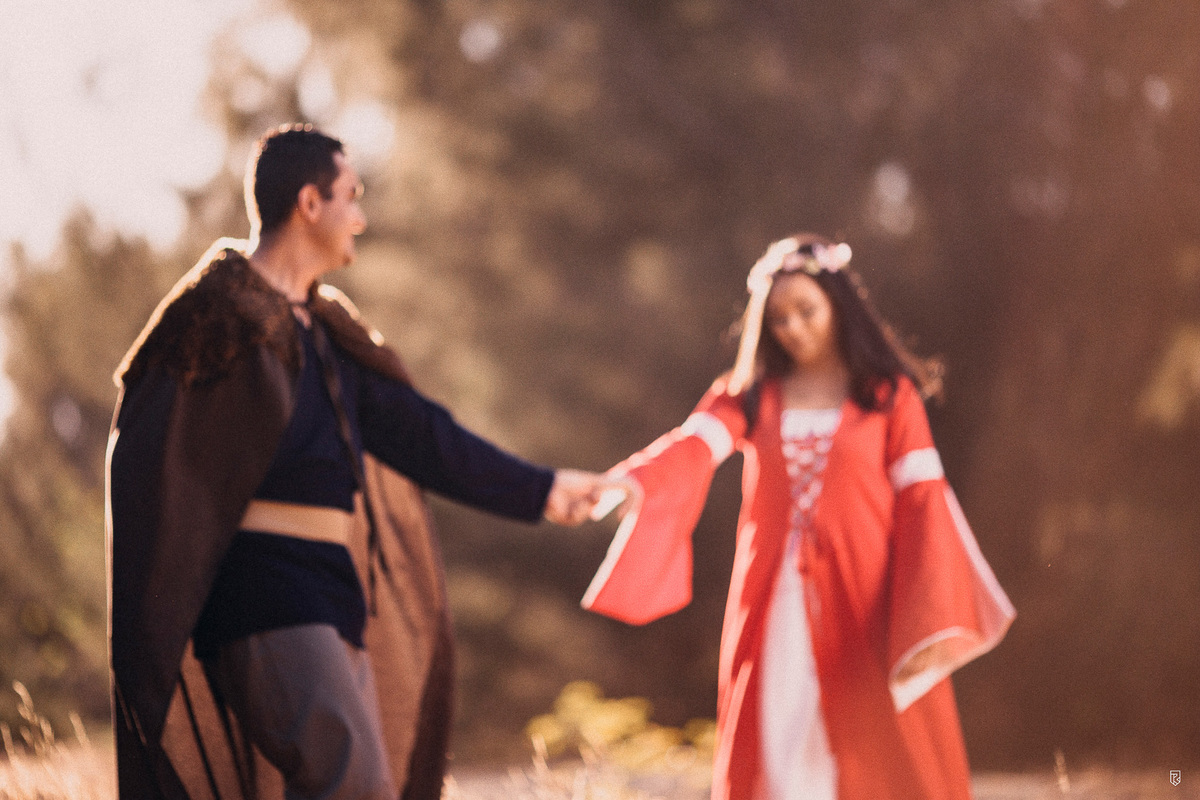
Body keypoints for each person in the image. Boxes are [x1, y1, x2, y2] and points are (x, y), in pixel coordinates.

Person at [106, 123, 610, 800]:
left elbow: (425, 437)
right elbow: (147, 467)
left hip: (332, 594)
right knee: (358, 787)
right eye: (351, 197)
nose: (360, 218)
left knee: (353, 787)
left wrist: (543, 489)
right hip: (265, 595)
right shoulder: (212, 321)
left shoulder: (325, 333)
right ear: (309, 204)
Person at [581, 234, 1015, 800]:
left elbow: (925, 504)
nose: (794, 328)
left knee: (878, 743)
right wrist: (630, 480)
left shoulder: (886, 395)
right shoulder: (748, 395)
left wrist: (928, 610)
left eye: (807, 311)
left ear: (839, 306)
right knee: (779, 728)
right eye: (779, 318)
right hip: (772, 596)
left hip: (866, 596)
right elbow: (694, 446)